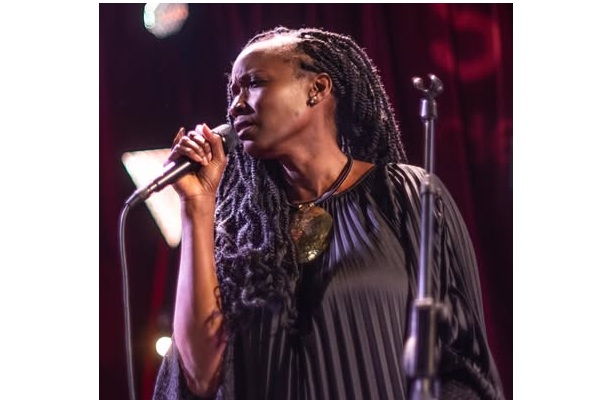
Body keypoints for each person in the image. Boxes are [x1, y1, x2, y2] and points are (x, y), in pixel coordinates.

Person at [152, 26, 505, 400]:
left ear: (317, 88)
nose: (236, 104)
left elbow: (463, 363)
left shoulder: (404, 194)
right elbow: (201, 377)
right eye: (233, 91)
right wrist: (196, 205)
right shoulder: (240, 235)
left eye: (253, 83)